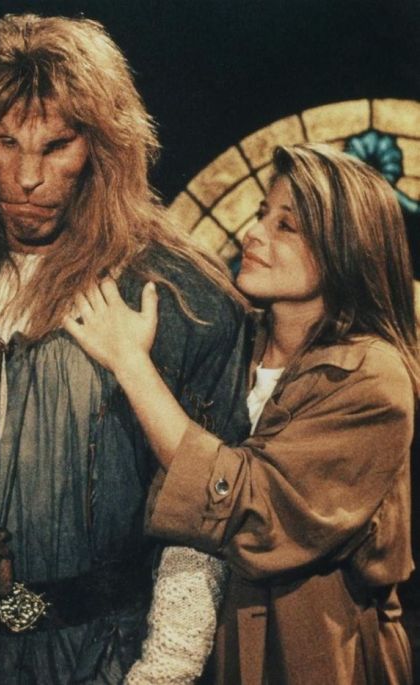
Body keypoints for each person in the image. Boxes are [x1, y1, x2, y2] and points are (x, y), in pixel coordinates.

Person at [0, 13, 251, 684]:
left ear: (102, 148)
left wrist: (164, 671)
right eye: (3, 141)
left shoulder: (178, 296)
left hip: (97, 658)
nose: (27, 175)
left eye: (56, 146)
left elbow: (197, 523)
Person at [65, 143, 419, 684]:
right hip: (208, 652)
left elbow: (255, 509)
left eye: (287, 226)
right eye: (261, 214)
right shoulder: (232, 344)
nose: (254, 234)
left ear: (345, 249)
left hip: (314, 660)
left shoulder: (372, 378)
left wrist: (131, 364)